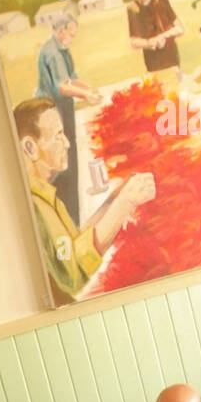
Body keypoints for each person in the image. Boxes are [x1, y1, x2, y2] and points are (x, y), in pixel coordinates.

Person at [14, 99, 156, 306]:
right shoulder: (37, 206)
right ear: (30, 147)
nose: (67, 144)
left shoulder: (44, 196)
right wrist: (126, 202)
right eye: (58, 136)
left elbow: (76, 242)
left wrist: (114, 198)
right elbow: (74, 273)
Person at [35, 8, 103, 227]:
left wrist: (90, 88)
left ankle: (72, 214)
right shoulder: (53, 52)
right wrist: (87, 95)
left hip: (62, 107)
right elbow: (63, 86)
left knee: (70, 155)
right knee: (63, 161)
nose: (72, 39)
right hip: (51, 111)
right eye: (70, 34)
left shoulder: (62, 48)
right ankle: (68, 217)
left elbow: (72, 78)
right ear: (60, 30)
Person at [127, 0, 185, 78]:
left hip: (171, 57)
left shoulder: (161, 0)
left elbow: (180, 29)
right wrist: (148, 43)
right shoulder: (133, 8)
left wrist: (162, 36)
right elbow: (133, 42)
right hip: (153, 62)